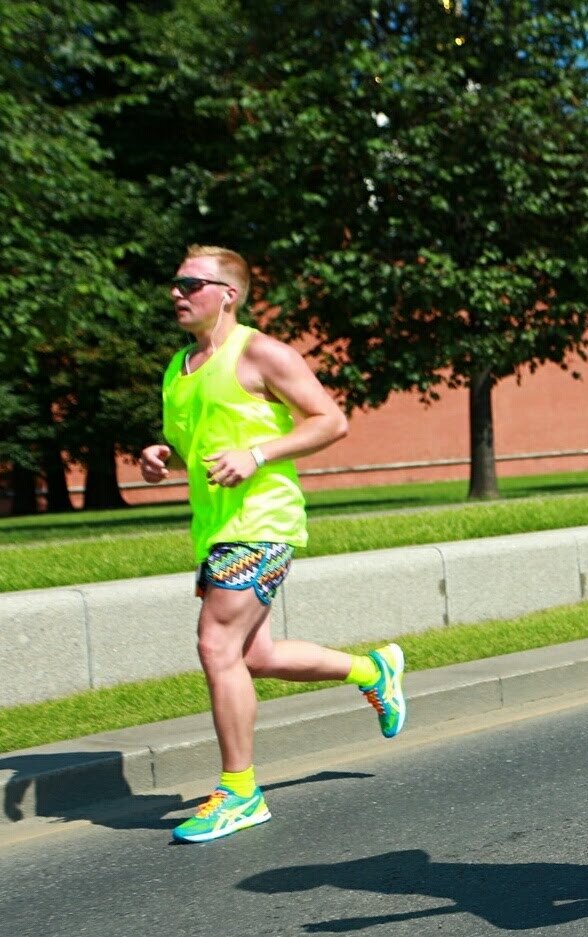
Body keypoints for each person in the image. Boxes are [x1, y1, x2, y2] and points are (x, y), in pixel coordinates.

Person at [139, 245, 406, 844]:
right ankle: (373, 669)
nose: (177, 294)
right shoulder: (180, 367)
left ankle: (240, 791)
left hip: (264, 522)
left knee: (215, 645)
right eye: (176, 284)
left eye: (191, 284)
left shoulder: (260, 352)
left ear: (227, 293)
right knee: (252, 656)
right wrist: (164, 454)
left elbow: (329, 420)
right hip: (215, 529)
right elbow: (210, 442)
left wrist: (257, 456)